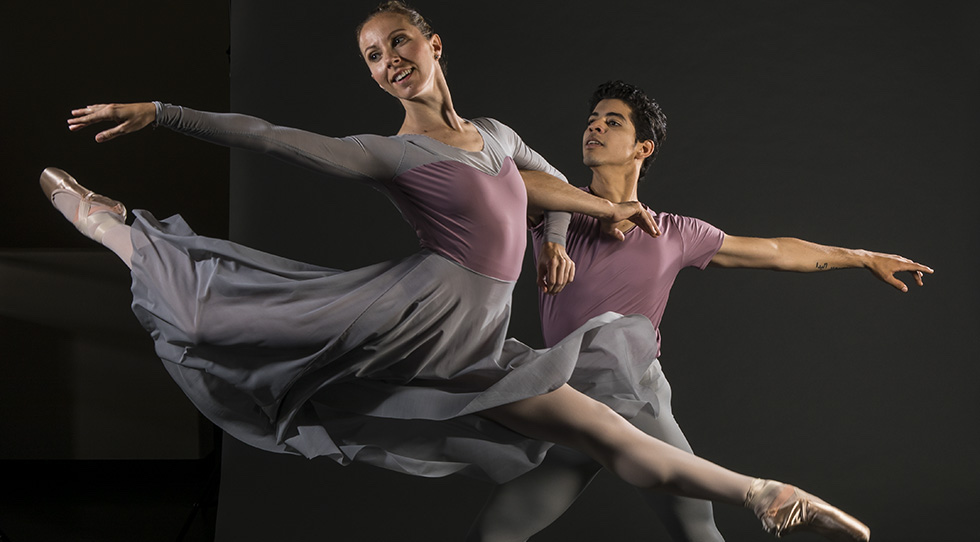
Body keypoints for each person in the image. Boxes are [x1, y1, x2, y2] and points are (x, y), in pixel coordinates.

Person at [44, 2, 870, 540]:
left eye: (398, 42)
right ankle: (113, 226)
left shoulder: (497, 134)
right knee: (222, 316)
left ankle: (763, 492)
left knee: (609, 433)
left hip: (483, 342)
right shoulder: (391, 153)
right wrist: (165, 113)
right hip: (417, 313)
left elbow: (549, 183)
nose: (388, 61)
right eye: (372, 57)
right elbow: (268, 134)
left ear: (432, 43)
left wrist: (557, 229)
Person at [467, 80, 930, 541]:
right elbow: (495, 179)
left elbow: (773, 251)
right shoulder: (556, 212)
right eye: (591, 122)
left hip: (636, 399)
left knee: (697, 533)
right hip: (568, 401)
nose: (595, 129)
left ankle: (776, 499)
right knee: (495, 534)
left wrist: (864, 256)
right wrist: (592, 214)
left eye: (612, 123)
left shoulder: (673, 233)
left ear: (642, 148)